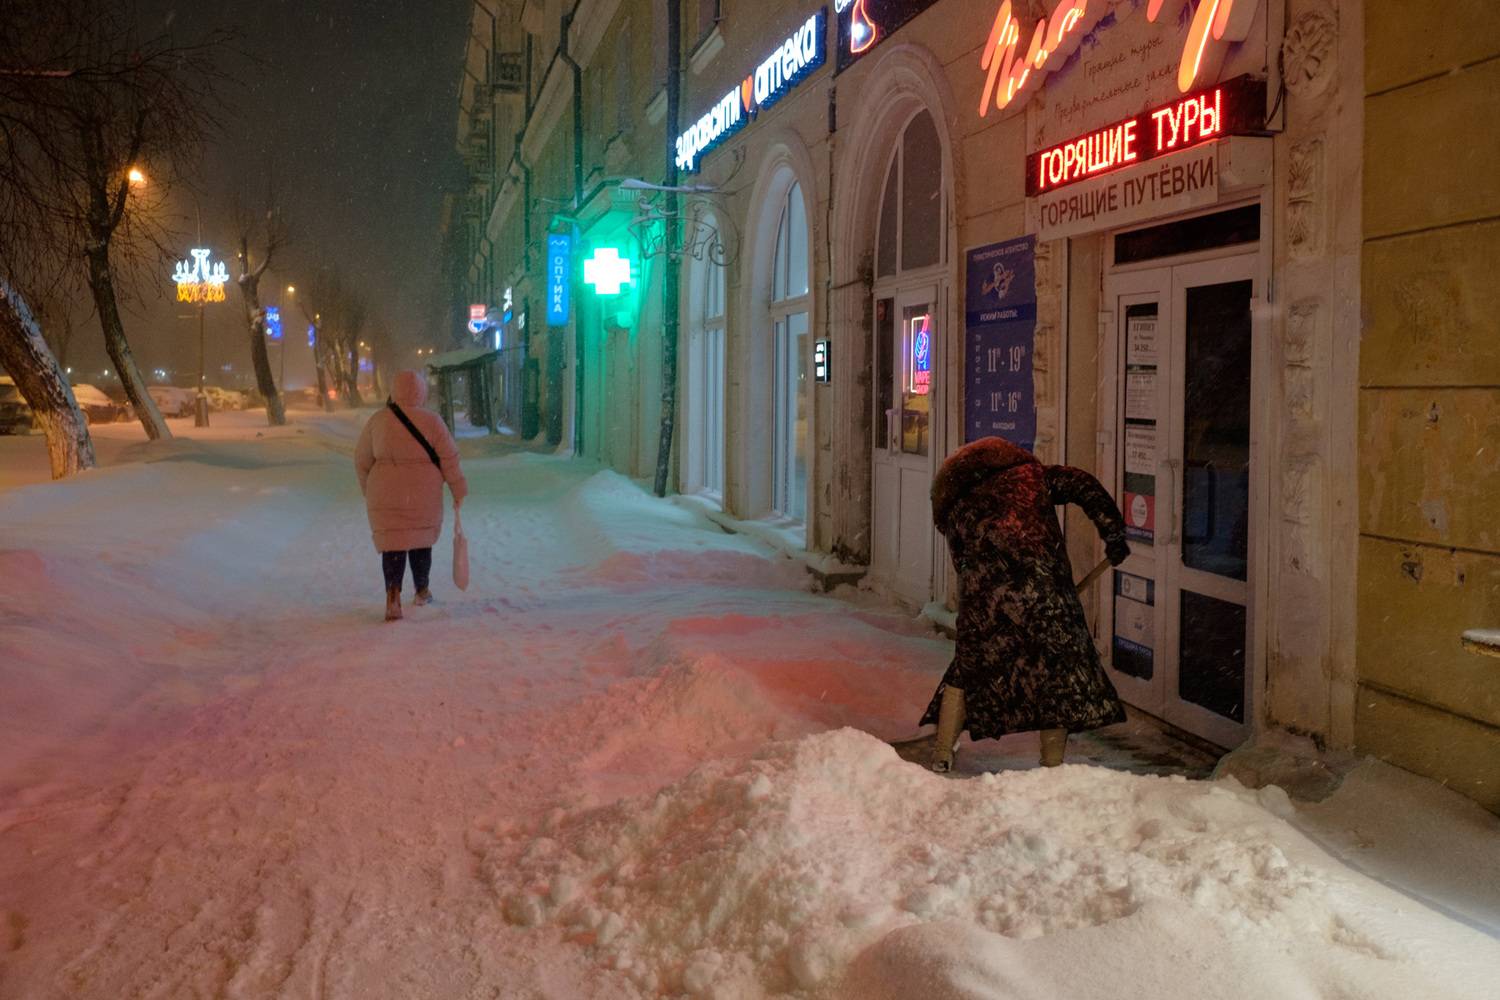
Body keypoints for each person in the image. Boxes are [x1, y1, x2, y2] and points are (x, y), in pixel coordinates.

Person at [902, 436, 1131, 772]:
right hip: (1044, 592)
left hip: (987, 601)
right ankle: (1052, 763)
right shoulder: (1030, 478)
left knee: (968, 670)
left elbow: (962, 564)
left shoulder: (956, 506)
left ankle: (942, 753)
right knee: (1057, 673)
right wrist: (1112, 533)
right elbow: (1083, 484)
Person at [355, 369, 467, 621]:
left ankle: (392, 595)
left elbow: (361, 459)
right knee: (420, 539)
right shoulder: (432, 421)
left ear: (394, 391)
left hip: (384, 493)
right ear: (421, 392)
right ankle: (422, 589)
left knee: (392, 544)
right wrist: (457, 488)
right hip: (423, 494)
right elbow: (450, 458)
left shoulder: (379, 420)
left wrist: (369, 490)